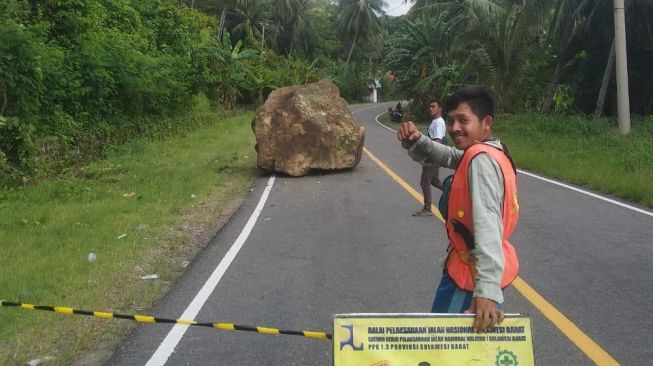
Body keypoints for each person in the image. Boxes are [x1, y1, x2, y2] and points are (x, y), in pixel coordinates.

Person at [397, 86, 520, 333]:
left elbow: (487, 226)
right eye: (451, 120)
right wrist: (417, 141)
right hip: (479, 271)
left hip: (469, 277)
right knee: (474, 349)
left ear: (486, 123)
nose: (454, 128)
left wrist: (486, 292)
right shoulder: (491, 149)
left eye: (464, 120)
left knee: (444, 346)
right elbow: (451, 156)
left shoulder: (481, 162)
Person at [413, 99, 446, 217]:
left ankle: (427, 209)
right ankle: (453, 194)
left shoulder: (438, 122)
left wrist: (430, 157)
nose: (430, 108)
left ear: (440, 109)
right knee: (434, 180)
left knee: (424, 182)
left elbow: (438, 141)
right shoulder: (436, 121)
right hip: (435, 156)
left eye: (433, 106)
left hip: (433, 156)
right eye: (430, 107)